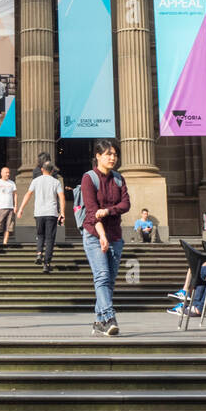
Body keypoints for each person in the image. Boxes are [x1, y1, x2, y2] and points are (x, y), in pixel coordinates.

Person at [78, 139, 130, 336]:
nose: (112, 158)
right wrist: (101, 234)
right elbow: (91, 211)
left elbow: (126, 204)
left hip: (115, 234)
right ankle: (109, 317)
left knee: (110, 280)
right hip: (93, 234)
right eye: (108, 154)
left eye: (114, 154)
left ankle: (99, 322)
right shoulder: (88, 178)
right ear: (98, 156)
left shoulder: (119, 179)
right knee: (102, 276)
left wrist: (108, 211)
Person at [17, 158, 65, 273]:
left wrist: (21, 209)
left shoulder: (36, 181)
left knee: (40, 234)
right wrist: (62, 213)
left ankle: (39, 253)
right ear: (52, 170)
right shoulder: (56, 182)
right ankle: (46, 263)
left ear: (42, 169)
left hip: (39, 213)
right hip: (51, 213)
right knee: (50, 239)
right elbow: (62, 197)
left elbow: (28, 194)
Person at [0, 166, 17, 250]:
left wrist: (15, 206)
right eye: (6, 172)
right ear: (1, 173)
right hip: (0, 207)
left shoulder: (12, 183)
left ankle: (5, 242)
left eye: (8, 172)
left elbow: (15, 195)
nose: (8, 174)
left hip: (10, 207)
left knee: (8, 226)